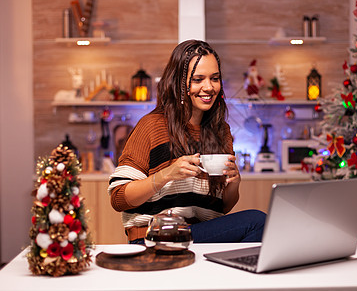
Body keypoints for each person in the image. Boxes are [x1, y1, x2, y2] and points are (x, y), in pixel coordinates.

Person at [108, 40, 266, 244]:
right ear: (179, 83)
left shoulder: (221, 132)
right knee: (257, 222)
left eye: (215, 78)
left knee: (264, 230)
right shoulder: (152, 125)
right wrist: (166, 175)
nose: (208, 87)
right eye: (198, 79)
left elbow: (221, 208)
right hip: (153, 236)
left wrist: (234, 184)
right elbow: (118, 198)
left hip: (196, 234)